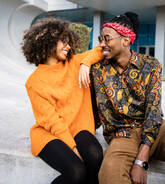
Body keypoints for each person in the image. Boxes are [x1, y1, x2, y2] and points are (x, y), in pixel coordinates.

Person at [79, 12, 165, 184]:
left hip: (155, 130)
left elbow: (154, 112)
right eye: (100, 39)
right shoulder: (97, 70)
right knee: (109, 175)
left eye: (107, 39)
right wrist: (85, 63)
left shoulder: (150, 64)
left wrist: (141, 161)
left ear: (125, 40)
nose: (102, 44)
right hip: (122, 136)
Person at [22, 17, 104, 184]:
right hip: (50, 134)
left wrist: (85, 64)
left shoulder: (75, 62)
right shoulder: (34, 82)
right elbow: (51, 122)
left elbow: (100, 50)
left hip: (78, 128)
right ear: (48, 40)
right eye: (63, 42)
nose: (68, 47)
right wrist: (73, 148)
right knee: (76, 172)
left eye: (69, 42)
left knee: (95, 155)